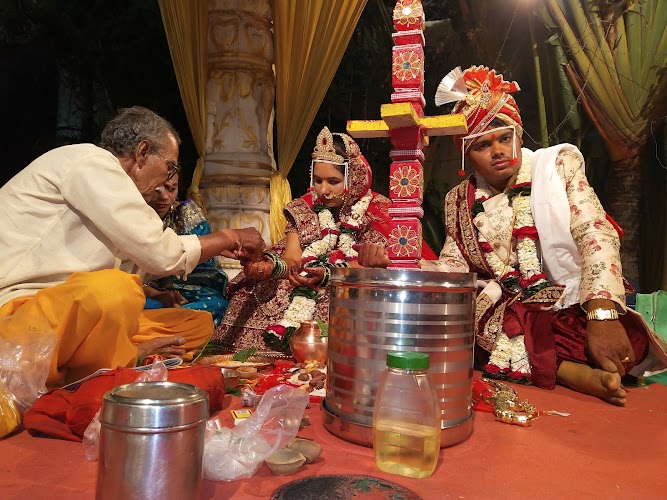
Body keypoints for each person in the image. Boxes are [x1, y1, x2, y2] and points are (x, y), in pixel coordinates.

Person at [360, 65, 667, 406]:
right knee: (461, 326)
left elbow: (595, 232)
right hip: (508, 309)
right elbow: (453, 267)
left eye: (505, 138)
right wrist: (401, 263)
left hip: (570, 301)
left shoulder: (558, 167)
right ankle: (571, 373)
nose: (498, 151)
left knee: (626, 340)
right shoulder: (458, 201)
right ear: (466, 154)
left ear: (519, 135)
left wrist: (602, 315)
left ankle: (563, 363)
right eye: (482, 145)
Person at [0, 106, 265, 387]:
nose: (166, 182)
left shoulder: (117, 191)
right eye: (170, 168)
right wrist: (228, 237)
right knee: (116, 289)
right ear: (142, 152)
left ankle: (109, 359)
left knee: (194, 324)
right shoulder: (91, 163)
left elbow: (143, 265)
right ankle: (115, 361)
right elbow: (161, 256)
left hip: (74, 319)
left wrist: (211, 248)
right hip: (21, 315)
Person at [213, 127, 393, 356]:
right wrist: (271, 268)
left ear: (354, 178)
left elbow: (378, 265)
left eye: (333, 181)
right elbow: (292, 258)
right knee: (260, 292)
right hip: (307, 276)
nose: (324, 190)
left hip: (351, 280)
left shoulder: (377, 211)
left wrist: (328, 274)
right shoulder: (304, 208)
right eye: (318, 180)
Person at [143, 171, 230, 327]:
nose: (164, 197)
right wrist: (155, 293)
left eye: (172, 189)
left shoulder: (188, 214)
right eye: (158, 189)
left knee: (216, 304)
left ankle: (164, 325)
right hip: (143, 291)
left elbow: (204, 267)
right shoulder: (132, 216)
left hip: (187, 292)